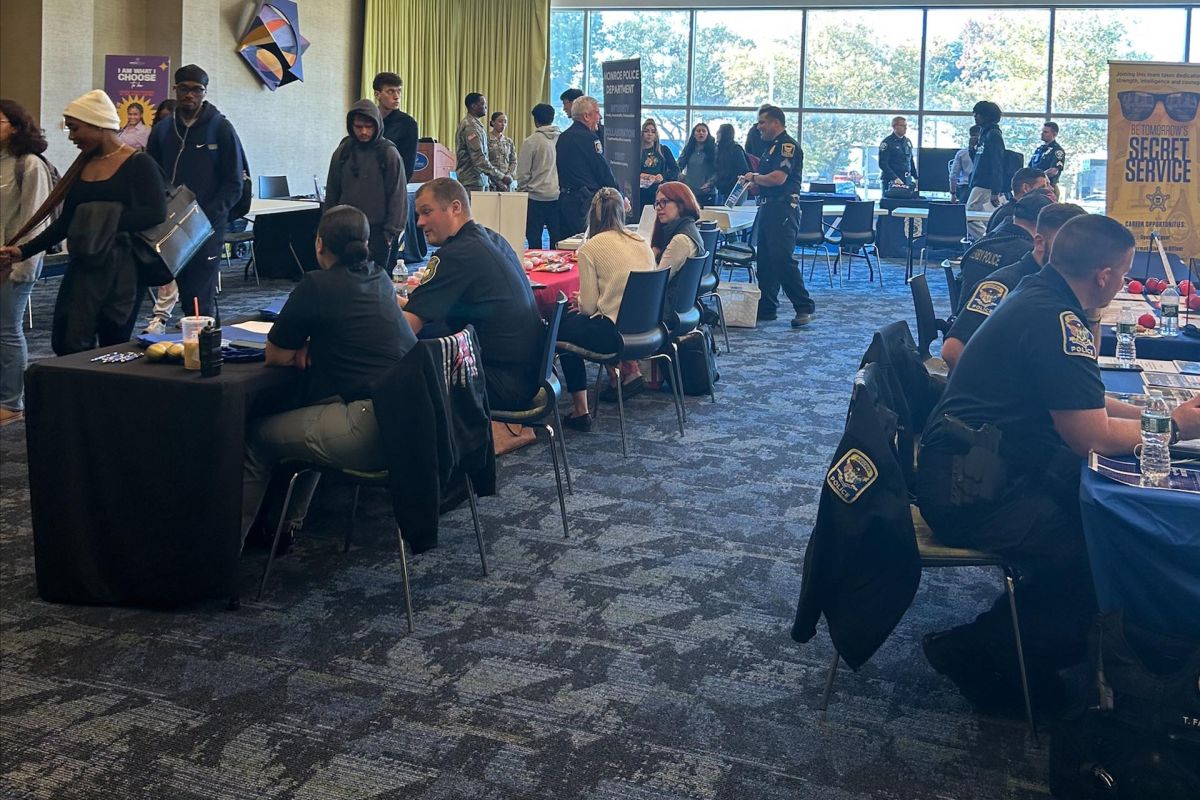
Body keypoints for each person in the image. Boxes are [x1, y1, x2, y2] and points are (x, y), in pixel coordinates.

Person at [916, 214, 1200, 713]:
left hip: (979, 469)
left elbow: (1087, 401)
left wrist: (1159, 414)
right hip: (972, 492)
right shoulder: (1056, 320)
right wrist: (1174, 429)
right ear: (1107, 276)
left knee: (1104, 528)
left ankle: (1005, 643)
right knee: (1104, 557)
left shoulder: (1042, 296)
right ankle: (979, 653)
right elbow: (1089, 435)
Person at [240, 205, 418, 547]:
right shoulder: (379, 276)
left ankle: (227, 552)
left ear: (319, 243)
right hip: (407, 424)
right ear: (365, 242)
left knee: (256, 437)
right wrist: (314, 344)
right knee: (313, 414)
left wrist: (305, 345)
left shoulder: (316, 285)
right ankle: (284, 527)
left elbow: (275, 355)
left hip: (368, 426)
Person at [0, 90, 166, 355]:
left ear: (99, 125)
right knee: (68, 343)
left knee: (114, 345)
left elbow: (156, 213)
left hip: (123, 271)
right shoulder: (82, 167)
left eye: (75, 129)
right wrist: (23, 250)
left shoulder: (139, 163)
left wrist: (101, 220)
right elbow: (66, 222)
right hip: (83, 268)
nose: (71, 136)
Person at [401, 178, 542, 411]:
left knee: (398, 377)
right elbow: (434, 307)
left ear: (455, 208)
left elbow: (409, 326)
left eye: (427, 212)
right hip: (528, 375)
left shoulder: (456, 254)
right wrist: (393, 302)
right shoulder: (492, 239)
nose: (419, 222)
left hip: (498, 383)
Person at [145, 64, 245, 319]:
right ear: (175, 90)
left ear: (204, 92)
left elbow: (234, 182)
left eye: (196, 90)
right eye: (184, 89)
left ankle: (205, 354)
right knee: (166, 287)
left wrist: (207, 218)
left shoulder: (221, 128)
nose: (190, 95)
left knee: (199, 300)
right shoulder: (163, 130)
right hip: (169, 226)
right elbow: (151, 176)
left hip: (207, 226)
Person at [554, 188, 658, 430]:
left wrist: (581, 301)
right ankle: (616, 377)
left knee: (560, 326)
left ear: (592, 215)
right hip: (647, 330)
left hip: (614, 335)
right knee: (581, 323)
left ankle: (581, 410)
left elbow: (588, 308)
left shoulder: (591, 248)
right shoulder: (641, 242)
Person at [941, 202, 1086, 372]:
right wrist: (993, 395)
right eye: (1065, 245)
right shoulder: (1004, 285)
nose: (1075, 254)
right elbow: (952, 350)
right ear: (1039, 243)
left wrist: (1092, 310)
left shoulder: (1055, 285)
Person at [0, 99, 54, 426]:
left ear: (17, 127)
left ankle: (11, 402)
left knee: (7, 330)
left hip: (16, 263)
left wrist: (21, 262)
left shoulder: (29, 164)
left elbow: (36, 219)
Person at [738, 104, 816, 327]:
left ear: (775, 123)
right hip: (768, 207)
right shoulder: (769, 148)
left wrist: (754, 177)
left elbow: (778, 178)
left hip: (783, 208)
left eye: (762, 122)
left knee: (782, 258)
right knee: (765, 260)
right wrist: (754, 184)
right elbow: (766, 180)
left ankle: (804, 306)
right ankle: (767, 308)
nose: (758, 127)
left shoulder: (786, 146)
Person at [323, 99, 407, 270]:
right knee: (344, 277)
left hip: (377, 231)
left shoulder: (388, 153)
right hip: (344, 229)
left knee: (375, 280)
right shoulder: (343, 151)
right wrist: (326, 225)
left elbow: (398, 195)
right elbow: (332, 191)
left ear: (377, 126)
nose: (363, 132)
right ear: (351, 125)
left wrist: (392, 232)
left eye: (369, 127)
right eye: (358, 126)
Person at [956, 191, 1053, 313]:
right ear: (1045, 225)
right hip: (996, 326)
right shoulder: (1028, 255)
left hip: (965, 319)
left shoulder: (983, 242)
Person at [555, 95, 620, 238]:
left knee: (567, 244)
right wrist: (617, 194)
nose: (600, 117)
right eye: (597, 112)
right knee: (588, 242)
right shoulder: (590, 139)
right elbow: (602, 170)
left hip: (565, 200)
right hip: (583, 203)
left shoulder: (563, 137)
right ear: (586, 116)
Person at [516, 103, 561, 248]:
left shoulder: (531, 142)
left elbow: (523, 173)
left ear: (535, 120)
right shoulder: (561, 139)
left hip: (535, 198)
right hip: (557, 196)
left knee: (534, 240)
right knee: (556, 240)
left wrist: (522, 192)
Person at [965, 101, 1005, 241]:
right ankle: (989, 239)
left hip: (985, 184)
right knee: (982, 218)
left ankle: (986, 241)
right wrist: (972, 148)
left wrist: (996, 190)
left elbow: (997, 163)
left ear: (987, 116)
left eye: (978, 114)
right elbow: (978, 161)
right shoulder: (983, 134)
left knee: (968, 215)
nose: (975, 116)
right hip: (979, 182)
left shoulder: (993, 135)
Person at [456, 93, 508, 192]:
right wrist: (501, 177)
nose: (486, 107)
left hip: (479, 180)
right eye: (483, 104)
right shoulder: (470, 126)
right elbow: (479, 159)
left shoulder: (477, 125)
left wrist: (496, 180)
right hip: (471, 181)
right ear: (473, 106)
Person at [373, 72, 418, 184]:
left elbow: (408, 165)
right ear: (377, 94)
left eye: (399, 91)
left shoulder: (408, 124)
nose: (396, 96)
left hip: (393, 185)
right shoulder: (369, 121)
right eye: (390, 91)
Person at [650, 181, 703, 276]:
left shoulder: (681, 240)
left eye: (664, 202)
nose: (658, 207)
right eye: (657, 203)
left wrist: (650, 256)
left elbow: (656, 281)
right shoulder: (688, 227)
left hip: (667, 290)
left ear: (681, 204)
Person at [985, 167, 1049, 235]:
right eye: (1042, 187)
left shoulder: (1003, 211)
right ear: (1026, 188)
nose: (1048, 190)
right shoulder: (1016, 216)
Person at [638, 119, 678, 209]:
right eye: (646, 131)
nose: (649, 134)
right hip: (640, 194)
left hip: (658, 193)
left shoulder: (664, 150)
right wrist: (642, 176)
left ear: (656, 135)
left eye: (653, 131)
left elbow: (675, 170)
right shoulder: (636, 151)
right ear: (642, 133)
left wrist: (663, 176)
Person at [678, 122, 717, 206]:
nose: (701, 133)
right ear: (693, 134)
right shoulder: (689, 149)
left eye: (704, 131)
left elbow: (719, 170)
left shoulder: (714, 149)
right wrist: (679, 174)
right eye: (698, 131)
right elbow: (679, 164)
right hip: (689, 192)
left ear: (708, 134)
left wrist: (710, 183)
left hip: (707, 192)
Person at [879, 116, 917, 196]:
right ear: (895, 126)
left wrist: (916, 177)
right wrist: (894, 178)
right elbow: (883, 164)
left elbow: (910, 160)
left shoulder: (907, 142)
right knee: (891, 204)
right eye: (903, 126)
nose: (905, 128)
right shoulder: (887, 142)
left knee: (906, 205)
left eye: (906, 126)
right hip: (891, 181)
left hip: (906, 179)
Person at [714, 123, 749, 205]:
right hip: (723, 189)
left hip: (736, 189)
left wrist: (730, 182)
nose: (716, 134)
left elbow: (743, 170)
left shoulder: (736, 149)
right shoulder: (720, 150)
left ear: (725, 134)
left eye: (719, 132)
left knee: (733, 214)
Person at [1029, 121, 1065, 199]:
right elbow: (1030, 167)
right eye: (1042, 131)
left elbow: (1053, 171)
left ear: (1054, 134)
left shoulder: (1057, 151)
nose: (1042, 133)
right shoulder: (1039, 150)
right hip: (1034, 188)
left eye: (1045, 132)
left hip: (1048, 188)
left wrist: (1037, 177)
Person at [948, 125, 980, 203]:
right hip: (982, 189)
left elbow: (953, 175)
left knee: (964, 213)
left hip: (965, 189)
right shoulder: (987, 153)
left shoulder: (962, 153)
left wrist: (953, 194)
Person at [487, 111, 517, 191]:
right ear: (493, 123)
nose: (503, 124)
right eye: (500, 121)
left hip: (507, 183)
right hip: (491, 183)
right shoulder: (486, 140)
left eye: (505, 122)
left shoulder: (508, 141)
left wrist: (508, 176)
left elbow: (513, 161)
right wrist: (498, 181)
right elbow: (484, 163)